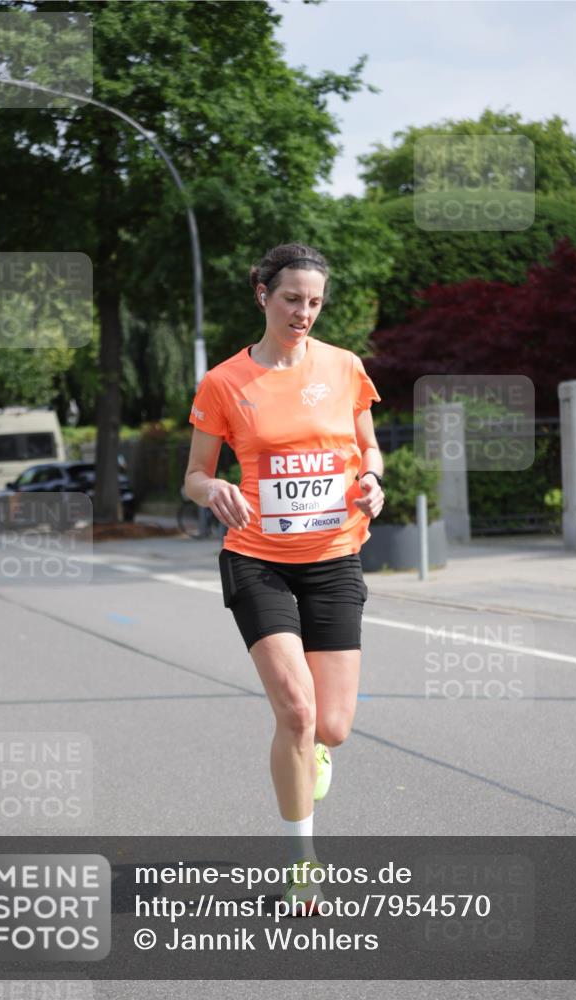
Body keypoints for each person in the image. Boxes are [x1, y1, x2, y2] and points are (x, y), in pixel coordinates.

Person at [184, 243, 384, 915]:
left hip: (334, 555)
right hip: (256, 558)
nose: (303, 312)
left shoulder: (345, 367)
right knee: (296, 711)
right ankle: (303, 869)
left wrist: (373, 480)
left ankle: (314, 750)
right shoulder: (224, 382)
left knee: (333, 726)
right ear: (262, 295)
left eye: (314, 302)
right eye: (292, 298)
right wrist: (213, 488)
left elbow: (369, 447)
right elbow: (194, 475)